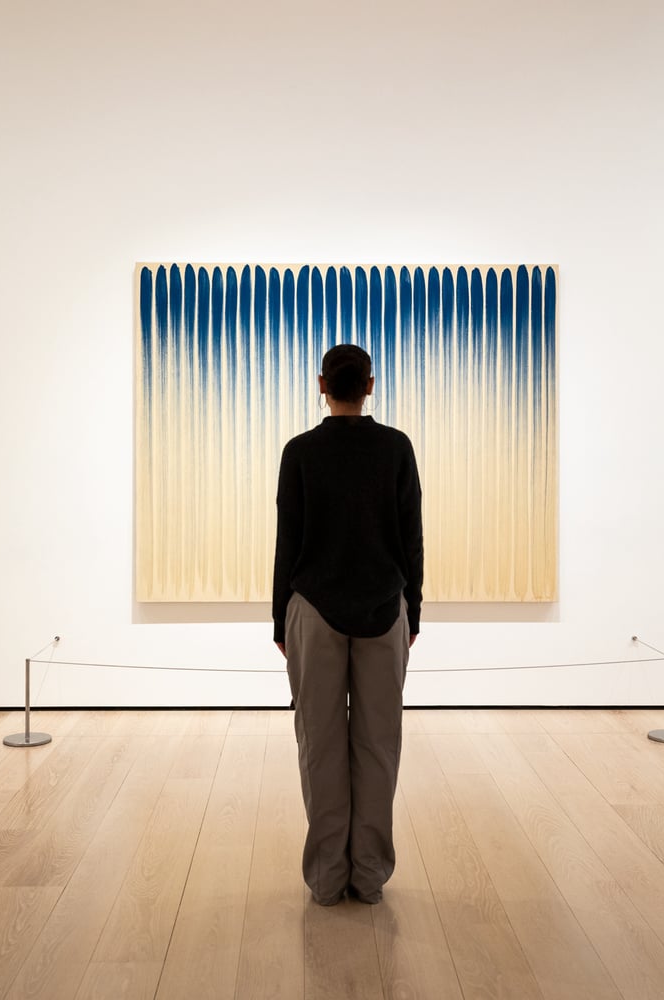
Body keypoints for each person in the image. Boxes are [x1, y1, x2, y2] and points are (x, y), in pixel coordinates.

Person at [272, 343, 423, 906]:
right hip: (386, 609)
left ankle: (328, 879)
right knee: (378, 745)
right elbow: (412, 536)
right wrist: (416, 607)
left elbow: (288, 542)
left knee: (321, 743)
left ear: (321, 385)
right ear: (371, 385)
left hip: (312, 609)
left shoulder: (300, 452)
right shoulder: (396, 448)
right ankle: (369, 876)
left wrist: (278, 620)